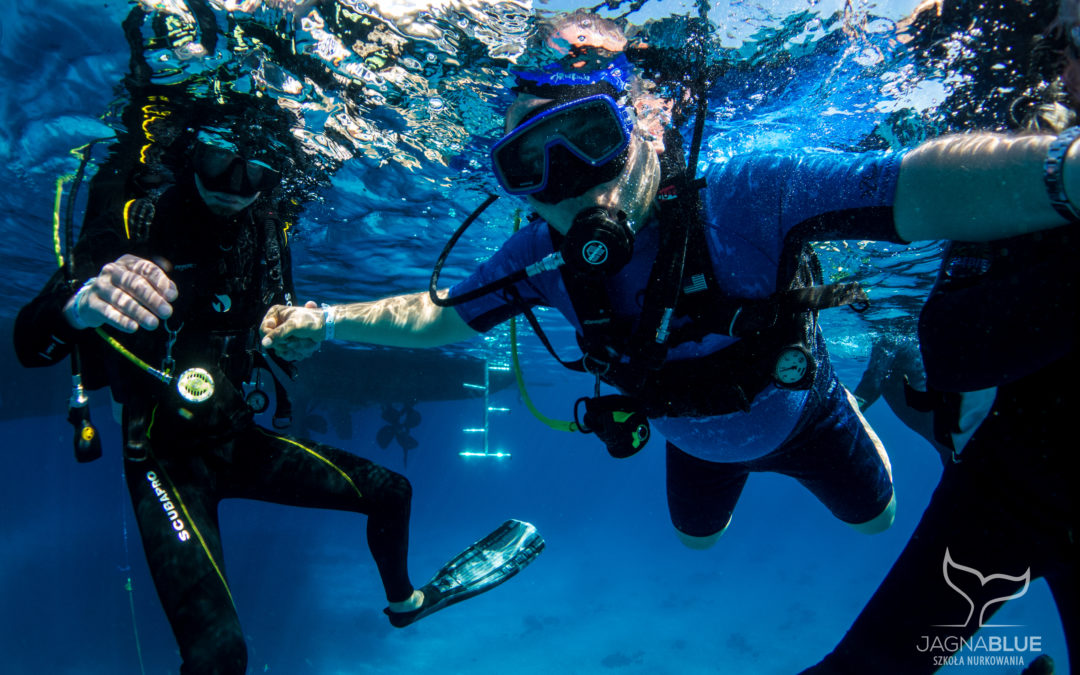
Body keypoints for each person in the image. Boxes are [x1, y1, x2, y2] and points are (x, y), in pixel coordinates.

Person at [261, 8, 1077, 558]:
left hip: (810, 418)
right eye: (529, 166)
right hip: (691, 444)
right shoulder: (540, 257)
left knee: (879, 522)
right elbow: (442, 317)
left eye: (588, 138)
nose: (569, 183)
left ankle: (862, 397)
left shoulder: (748, 193)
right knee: (696, 543)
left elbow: (913, 186)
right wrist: (326, 320)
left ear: (646, 125)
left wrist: (1063, 175)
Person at [12, 5, 543, 674]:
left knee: (392, 491)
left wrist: (288, 339)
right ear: (189, 152)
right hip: (164, 458)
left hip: (236, 433)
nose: (236, 189)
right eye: (217, 162)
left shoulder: (266, 227)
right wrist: (80, 307)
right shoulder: (136, 215)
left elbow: (266, 322)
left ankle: (405, 603)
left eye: (257, 173)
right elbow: (29, 344)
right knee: (220, 654)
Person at [798, 2, 1077, 671]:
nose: (1065, 68)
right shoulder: (1030, 172)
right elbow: (952, 347)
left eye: (1073, 44)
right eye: (1068, 43)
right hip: (1007, 492)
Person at [852, 319, 994, 465]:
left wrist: (846, 414)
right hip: (953, 427)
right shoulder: (910, 337)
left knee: (958, 458)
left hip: (947, 429)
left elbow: (872, 383)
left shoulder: (891, 335)